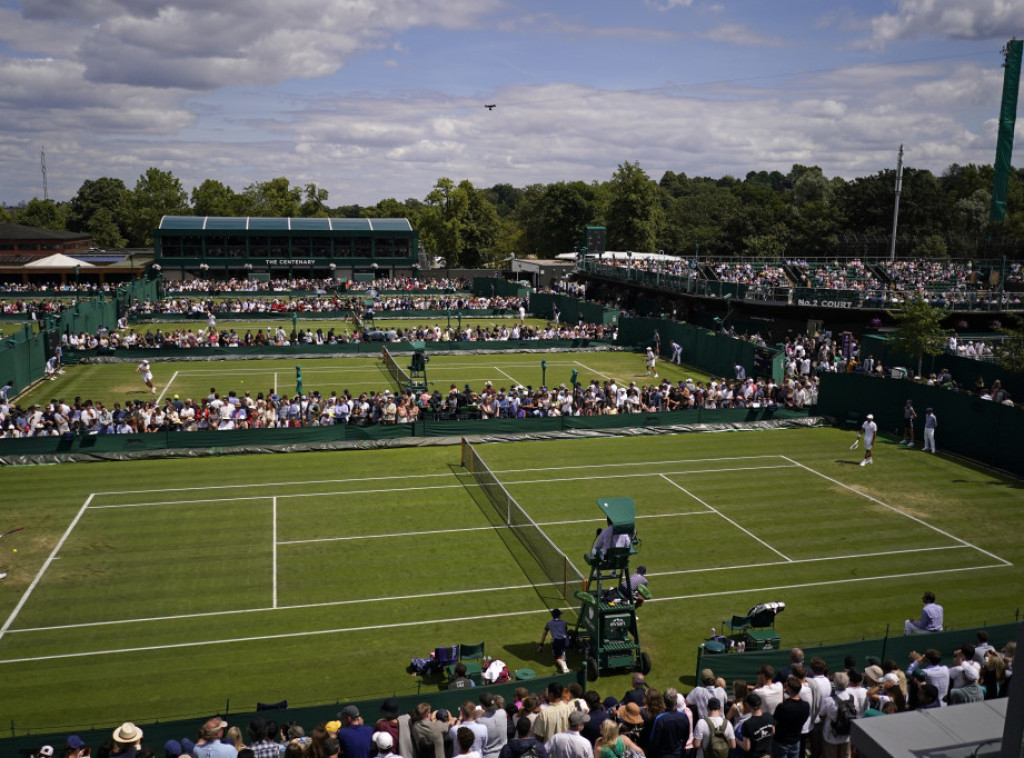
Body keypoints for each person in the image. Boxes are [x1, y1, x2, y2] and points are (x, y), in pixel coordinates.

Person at [737, 693, 773, 758]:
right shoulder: (769, 716)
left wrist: (735, 739)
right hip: (768, 754)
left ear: (748, 705)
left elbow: (746, 747)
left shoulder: (748, 724)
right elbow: (773, 731)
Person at [539, 608, 571, 673]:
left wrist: (541, 646)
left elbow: (544, 635)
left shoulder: (548, 623)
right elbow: (565, 632)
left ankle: (565, 668)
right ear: (559, 615)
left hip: (557, 642)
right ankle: (563, 654)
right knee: (563, 648)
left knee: (558, 658)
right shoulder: (564, 623)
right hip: (566, 641)